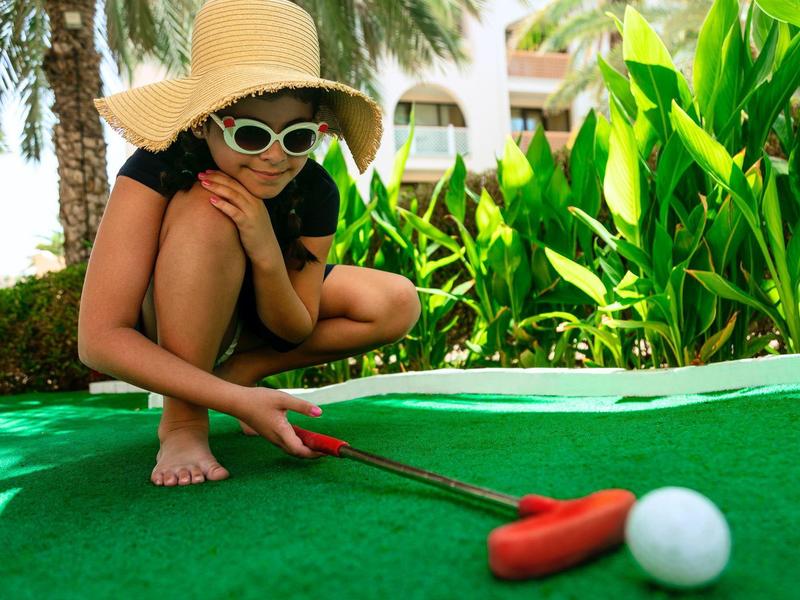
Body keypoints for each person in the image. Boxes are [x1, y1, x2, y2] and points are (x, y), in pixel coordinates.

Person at [78, 0, 421, 487]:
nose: (275, 156)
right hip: (171, 317)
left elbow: (294, 328)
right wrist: (239, 405)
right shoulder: (155, 165)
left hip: (257, 315)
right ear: (205, 122)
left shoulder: (315, 190)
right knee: (209, 209)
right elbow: (98, 339)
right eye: (252, 134)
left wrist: (265, 250)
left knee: (397, 300)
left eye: (297, 137)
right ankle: (183, 421)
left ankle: (239, 371)